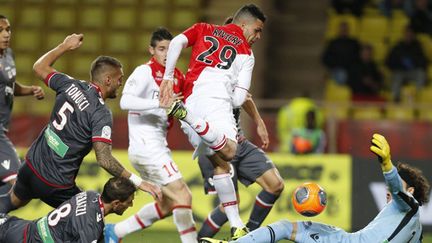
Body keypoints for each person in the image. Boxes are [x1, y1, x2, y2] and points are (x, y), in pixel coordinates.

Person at [0, 33, 162, 214]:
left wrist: (64, 46)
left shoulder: (70, 84)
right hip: (55, 183)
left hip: (30, 167)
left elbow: (39, 67)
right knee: (91, 217)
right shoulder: (101, 113)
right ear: (108, 80)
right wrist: (139, 182)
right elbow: (105, 160)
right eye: (119, 78)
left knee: (11, 201)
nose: (120, 83)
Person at [200, 133, 430, 243]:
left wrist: (387, 165)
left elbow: (395, 189)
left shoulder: (409, 207)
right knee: (285, 228)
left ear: (410, 192)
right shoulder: (414, 228)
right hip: (345, 240)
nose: (389, 190)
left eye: (399, 183)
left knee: (283, 227)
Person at [159, 4, 266, 239]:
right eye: (257, 30)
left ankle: (237, 225)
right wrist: (227, 89)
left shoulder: (203, 28)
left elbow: (176, 42)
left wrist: (168, 77)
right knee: (229, 151)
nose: (258, 37)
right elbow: (238, 98)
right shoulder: (247, 55)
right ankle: (185, 115)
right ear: (243, 24)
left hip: (191, 99)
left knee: (220, 164)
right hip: (216, 102)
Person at [104, 27, 197, 243]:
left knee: (168, 203)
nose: (166, 53)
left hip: (156, 147)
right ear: (151, 50)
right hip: (147, 148)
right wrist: (160, 103)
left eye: (170, 49)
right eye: (162, 49)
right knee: (184, 195)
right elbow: (125, 101)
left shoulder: (178, 77)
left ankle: (115, 232)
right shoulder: (144, 72)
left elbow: (182, 110)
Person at [198, 92, 284, 238]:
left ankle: (249, 236)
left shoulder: (231, 74)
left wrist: (259, 122)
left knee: (275, 185)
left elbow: (244, 97)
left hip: (240, 143)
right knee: (229, 206)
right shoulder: (201, 81)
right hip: (215, 148)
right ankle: (198, 240)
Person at [0, 177, 136, 242]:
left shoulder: (90, 195)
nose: (131, 205)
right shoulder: (91, 227)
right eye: (129, 202)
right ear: (117, 203)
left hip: (20, 227)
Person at [0, 15, 45, 195]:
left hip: (3, 128)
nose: (5, 34)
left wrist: (29, 90)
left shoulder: (8, 55)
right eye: (0, 31)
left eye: (8, 29)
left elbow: (8, 85)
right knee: (17, 186)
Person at [385, 26, 427, 102]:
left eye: (411, 34)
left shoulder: (417, 46)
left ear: (413, 35)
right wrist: (399, 64)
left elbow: (423, 61)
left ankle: (418, 96)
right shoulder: (398, 46)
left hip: (413, 71)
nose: (409, 36)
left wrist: (414, 63)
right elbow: (388, 61)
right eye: (407, 34)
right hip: (400, 71)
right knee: (396, 76)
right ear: (404, 34)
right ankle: (396, 98)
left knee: (421, 74)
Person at [322, 21, 361, 85]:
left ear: (348, 30)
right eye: (342, 29)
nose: (343, 31)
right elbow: (325, 58)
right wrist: (334, 65)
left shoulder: (354, 42)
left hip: (351, 69)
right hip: (338, 68)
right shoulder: (333, 43)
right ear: (338, 30)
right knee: (341, 75)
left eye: (345, 29)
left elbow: (358, 57)